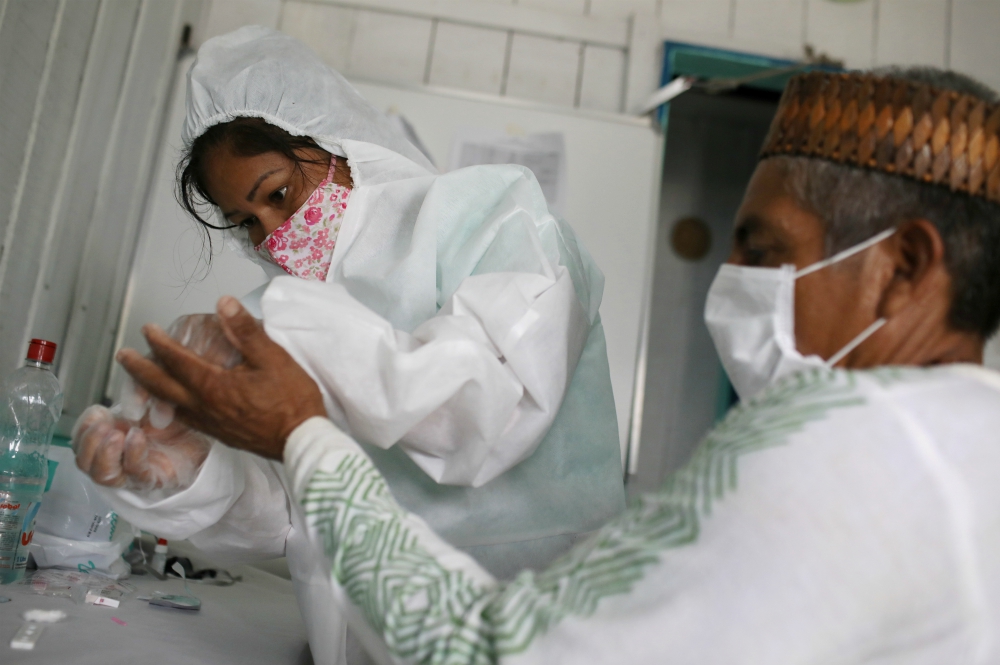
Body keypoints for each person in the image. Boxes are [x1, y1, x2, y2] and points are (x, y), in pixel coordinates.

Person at [116, 66, 1000, 663]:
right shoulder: (954, 436)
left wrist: (301, 425)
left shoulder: (838, 454)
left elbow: (495, 645)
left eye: (766, 254)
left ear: (909, 266)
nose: (734, 289)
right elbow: (298, 513)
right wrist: (197, 477)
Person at [72, 26, 624, 665]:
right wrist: (190, 475)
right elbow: (292, 511)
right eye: (247, 222)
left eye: (278, 195)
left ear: (333, 142)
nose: (273, 238)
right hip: (353, 641)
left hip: (531, 624)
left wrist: (295, 330)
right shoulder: (278, 313)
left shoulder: (497, 219)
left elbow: (489, 414)